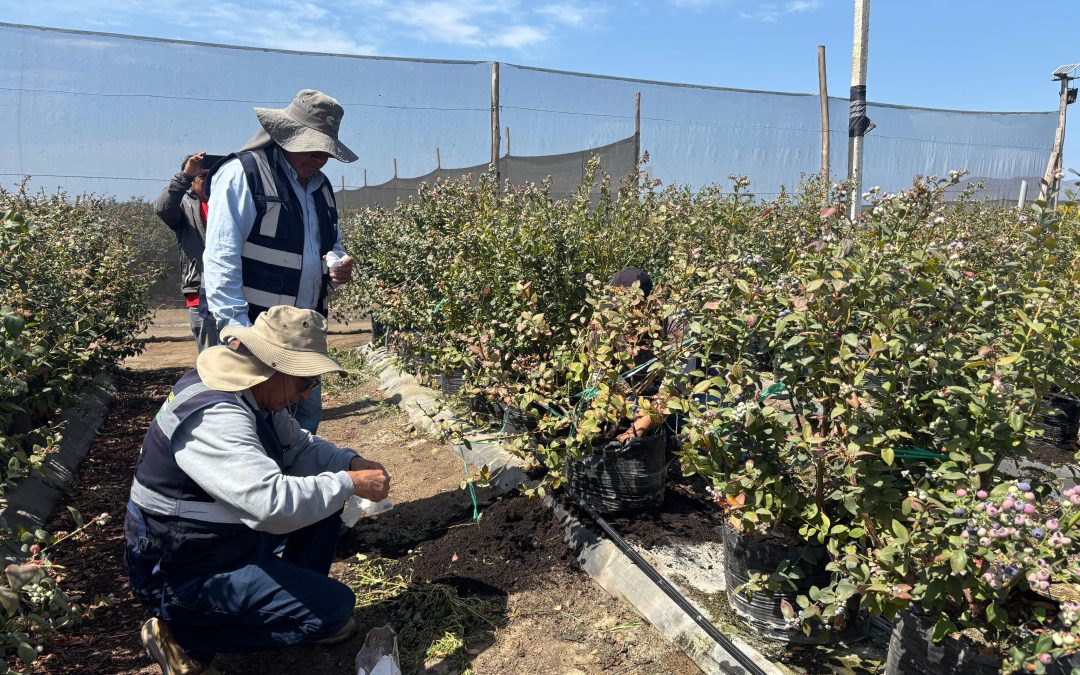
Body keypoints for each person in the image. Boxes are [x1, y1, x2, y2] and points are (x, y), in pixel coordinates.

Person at [124, 306, 390, 674]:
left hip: (221, 543)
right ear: (274, 368)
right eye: (304, 382)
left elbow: (298, 448)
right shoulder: (217, 417)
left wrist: (349, 462)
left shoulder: (253, 395)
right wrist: (347, 482)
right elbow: (270, 506)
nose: (306, 394)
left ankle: (284, 599)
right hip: (184, 569)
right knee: (334, 612)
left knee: (325, 509)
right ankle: (182, 636)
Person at [203, 89, 356, 434]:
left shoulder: (321, 186)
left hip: (304, 334)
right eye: (311, 146)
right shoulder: (243, 174)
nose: (319, 157)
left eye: (325, 150)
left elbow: (327, 242)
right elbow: (221, 257)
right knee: (253, 426)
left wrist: (335, 263)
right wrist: (236, 329)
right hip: (257, 331)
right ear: (286, 135)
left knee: (302, 423)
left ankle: (301, 486)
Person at [153, 152, 218, 353]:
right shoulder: (185, 207)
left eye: (213, 176)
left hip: (236, 292)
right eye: (202, 177)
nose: (208, 182)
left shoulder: (231, 204)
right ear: (191, 182)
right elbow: (163, 207)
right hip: (201, 295)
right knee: (212, 360)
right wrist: (185, 175)